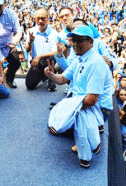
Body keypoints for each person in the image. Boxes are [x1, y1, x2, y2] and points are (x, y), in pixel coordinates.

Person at [46, 25, 112, 168]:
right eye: (74, 40)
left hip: (99, 109)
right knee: (69, 117)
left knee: (71, 120)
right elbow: (62, 79)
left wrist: (67, 108)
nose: (75, 44)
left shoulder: (96, 63)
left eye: (80, 40)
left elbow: (91, 100)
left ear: (91, 42)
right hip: (83, 101)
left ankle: (90, 148)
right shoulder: (79, 58)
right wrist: (51, 75)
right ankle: (93, 144)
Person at [25, 8, 58, 91]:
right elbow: (27, 50)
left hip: (47, 61)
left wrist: (39, 56)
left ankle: (51, 78)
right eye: (38, 18)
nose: (40, 21)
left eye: (42, 18)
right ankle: (43, 76)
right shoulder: (31, 31)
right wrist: (30, 42)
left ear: (47, 18)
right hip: (36, 63)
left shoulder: (53, 33)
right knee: (30, 85)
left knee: (53, 58)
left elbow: (54, 52)